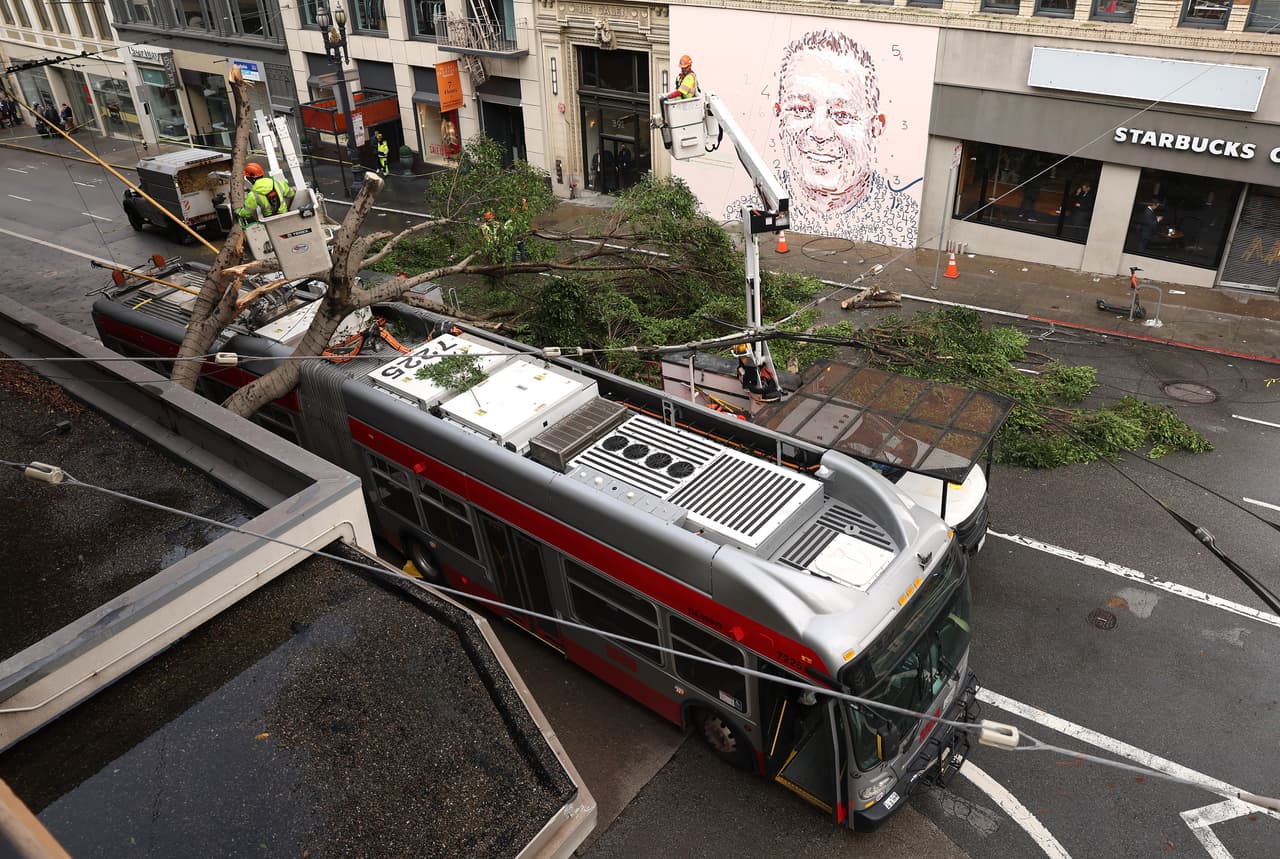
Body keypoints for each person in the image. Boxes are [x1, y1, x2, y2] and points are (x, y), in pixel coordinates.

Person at [770, 30, 920, 247]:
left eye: (842, 115)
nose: (820, 132)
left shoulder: (902, 222)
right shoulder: (751, 208)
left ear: (875, 128)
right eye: (801, 110)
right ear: (779, 115)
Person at [236, 162, 294, 227]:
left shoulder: (253, 195)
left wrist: (239, 212)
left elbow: (247, 213)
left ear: (251, 178)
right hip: (286, 216)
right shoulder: (278, 183)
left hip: (270, 221)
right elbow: (291, 194)